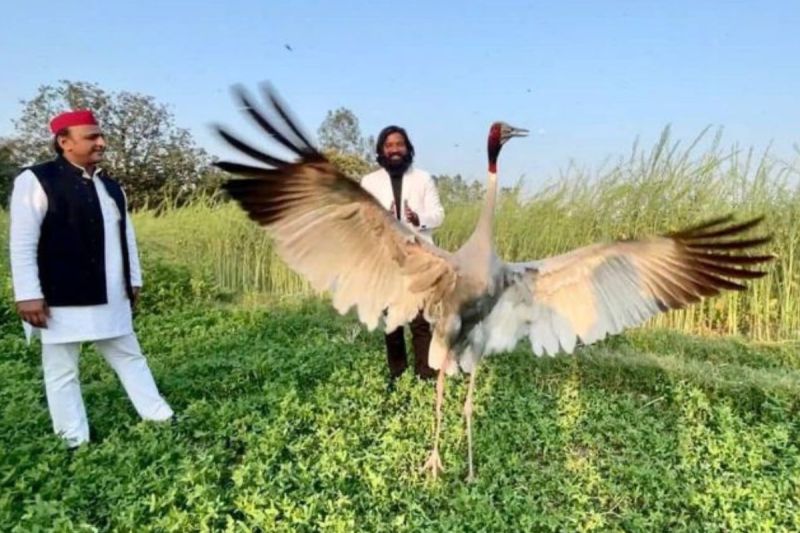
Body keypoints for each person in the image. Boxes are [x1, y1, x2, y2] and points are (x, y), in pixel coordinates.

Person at [9, 109, 173, 448]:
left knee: (129, 355)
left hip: (111, 291)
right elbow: (22, 241)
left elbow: (126, 236)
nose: (101, 142)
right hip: (61, 293)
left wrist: (133, 279)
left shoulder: (110, 186)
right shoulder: (36, 179)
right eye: (91, 137)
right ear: (64, 142)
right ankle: (73, 440)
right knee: (62, 370)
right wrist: (27, 294)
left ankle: (160, 417)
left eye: (101, 136)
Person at [361, 125, 445, 380]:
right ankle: (397, 374)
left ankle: (425, 373)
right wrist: (381, 219)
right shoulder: (369, 182)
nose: (395, 149)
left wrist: (419, 218)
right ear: (381, 150)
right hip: (386, 257)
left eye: (399, 144)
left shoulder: (423, 179)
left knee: (421, 319)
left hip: (418, 256)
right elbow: (363, 219)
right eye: (389, 145)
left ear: (408, 148)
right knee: (392, 319)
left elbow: (439, 215)